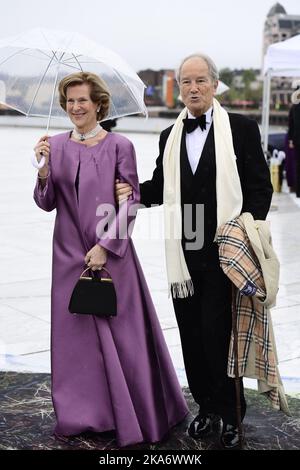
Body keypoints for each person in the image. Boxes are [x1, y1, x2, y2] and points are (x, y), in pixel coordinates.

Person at [115, 54, 273, 449]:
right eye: (186, 82)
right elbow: (160, 185)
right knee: (192, 335)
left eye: (201, 81)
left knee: (222, 336)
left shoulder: (240, 128)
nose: (193, 88)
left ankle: (232, 411)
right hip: (183, 255)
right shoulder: (169, 136)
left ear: (215, 85)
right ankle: (207, 408)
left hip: (225, 253)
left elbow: (259, 187)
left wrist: (244, 232)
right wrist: (130, 191)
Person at [33, 71, 188, 448]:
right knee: (76, 343)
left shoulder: (120, 145)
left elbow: (131, 200)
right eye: (69, 101)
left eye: (82, 100)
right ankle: (82, 415)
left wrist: (105, 246)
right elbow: (46, 202)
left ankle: (136, 414)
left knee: (126, 340)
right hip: (69, 255)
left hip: (112, 255)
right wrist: (42, 170)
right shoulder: (54, 145)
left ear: (98, 103)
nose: (75, 107)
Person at [288, 96, 300, 197]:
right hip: (296, 140)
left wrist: (291, 140)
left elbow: (290, 125)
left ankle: (298, 191)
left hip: (296, 140)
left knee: (297, 165)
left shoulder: (294, 108)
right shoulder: (294, 108)